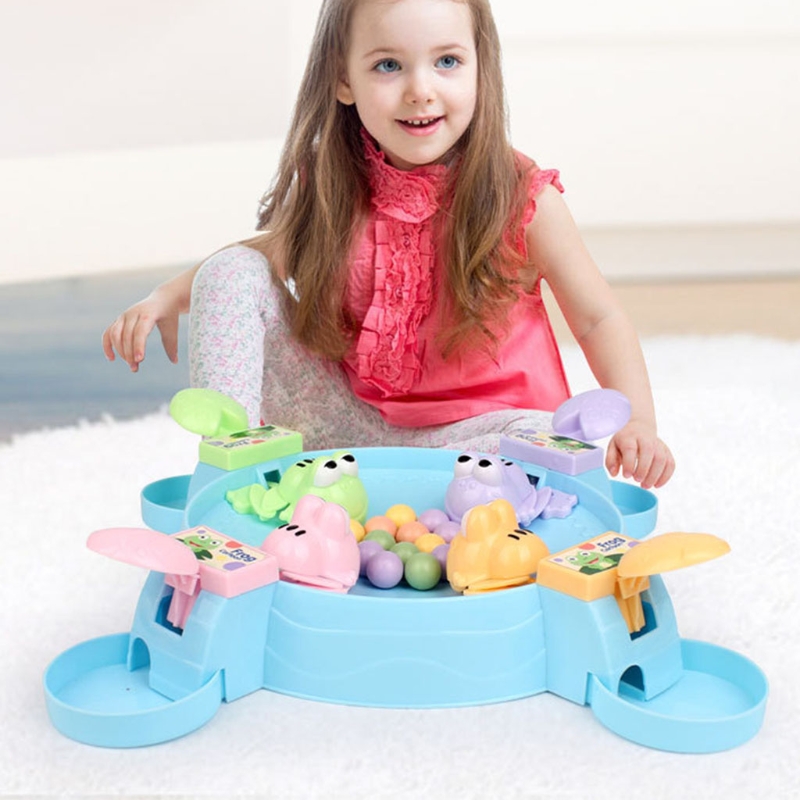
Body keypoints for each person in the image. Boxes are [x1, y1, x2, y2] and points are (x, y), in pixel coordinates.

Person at [102, 0, 674, 489]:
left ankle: (415, 503)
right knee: (229, 270)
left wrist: (639, 423)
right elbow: (261, 255)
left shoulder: (525, 199)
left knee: (551, 444)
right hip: (350, 431)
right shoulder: (334, 181)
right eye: (388, 65)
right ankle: (237, 478)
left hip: (485, 440)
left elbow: (598, 318)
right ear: (344, 80)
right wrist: (169, 294)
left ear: (481, 68)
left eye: (447, 61)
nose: (420, 91)